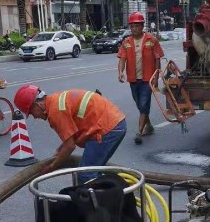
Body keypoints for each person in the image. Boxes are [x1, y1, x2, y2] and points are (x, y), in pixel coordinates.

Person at [14, 85, 126, 184]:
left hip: (107, 129)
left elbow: (70, 146)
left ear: (37, 104)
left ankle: (98, 205)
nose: (34, 117)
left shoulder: (55, 111)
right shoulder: (54, 100)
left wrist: (52, 166)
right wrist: (59, 151)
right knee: (95, 169)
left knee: (85, 174)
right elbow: (70, 138)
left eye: (31, 112)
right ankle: (107, 196)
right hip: (116, 122)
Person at [117, 12, 164, 144]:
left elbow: (157, 59)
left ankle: (139, 132)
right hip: (133, 79)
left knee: (144, 104)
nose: (134, 29)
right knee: (139, 104)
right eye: (132, 26)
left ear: (142, 26)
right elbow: (122, 58)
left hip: (147, 79)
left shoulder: (151, 40)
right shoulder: (126, 42)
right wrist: (120, 72)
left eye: (137, 26)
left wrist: (156, 76)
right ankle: (148, 126)